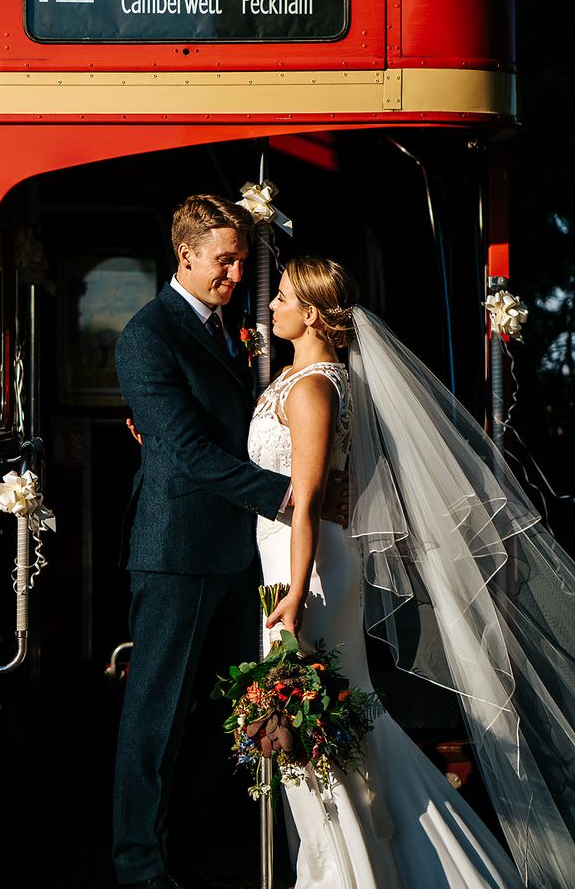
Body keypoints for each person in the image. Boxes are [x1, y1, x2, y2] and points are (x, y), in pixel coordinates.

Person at [251, 255, 575, 889]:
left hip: (305, 572)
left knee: (312, 724)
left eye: (282, 296)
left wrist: (292, 593)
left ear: (313, 314)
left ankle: (344, 874)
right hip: (300, 562)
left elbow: (310, 498)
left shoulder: (314, 386)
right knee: (343, 718)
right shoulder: (316, 379)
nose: (271, 305)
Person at [114, 195, 332, 889]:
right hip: (176, 554)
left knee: (221, 719)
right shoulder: (148, 334)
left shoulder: (227, 326)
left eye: (240, 260)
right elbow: (183, 449)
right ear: (186, 254)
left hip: (235, 553)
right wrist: (282, 493)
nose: (237, 273)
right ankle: (140, 867)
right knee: (154, 721)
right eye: (225, 259)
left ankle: (189, 851)